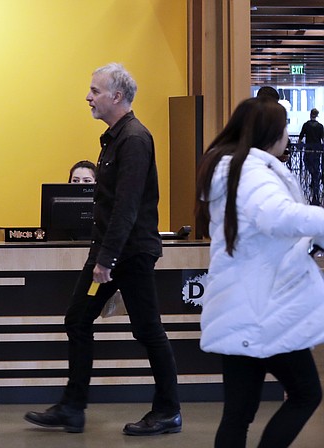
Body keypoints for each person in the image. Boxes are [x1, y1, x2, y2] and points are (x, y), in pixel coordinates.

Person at [24, 63, 181, 436]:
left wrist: (105, 260)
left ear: (117, 96)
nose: (88, 96)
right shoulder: (114, 138)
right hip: (110, 252)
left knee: (148, 330)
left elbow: (127, 206)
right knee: (78, 319)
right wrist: (103, 256)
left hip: (131, 255)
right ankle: (72, 408)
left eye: (95, 90)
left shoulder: (135, 140)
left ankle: (168, 410)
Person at [195, 97, 324, 448]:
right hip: (265, 309)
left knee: (238, 413)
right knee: (305, 394)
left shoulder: (234, 169)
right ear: (275, 134)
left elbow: (261, 231)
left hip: (242, 305)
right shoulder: (251, 172)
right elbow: (278, 217)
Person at [300, 108, 324, 205]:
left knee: (307, 164)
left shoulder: (306, 125)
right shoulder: (320, 126)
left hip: (308, 149)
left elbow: (301, 136)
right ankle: (315, 181)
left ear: (310, 114)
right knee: (316, 166)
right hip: (317, 150)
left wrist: (299, 145)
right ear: (317, 115)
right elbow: (323, 138)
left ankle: (314, 179)